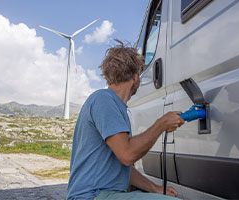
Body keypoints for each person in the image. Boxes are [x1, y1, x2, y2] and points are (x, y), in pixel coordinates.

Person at [67, 40, 184, 200]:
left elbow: (123, 167)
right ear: (136, 77)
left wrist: (156, 189)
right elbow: (127, 155)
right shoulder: (104, 100)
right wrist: (161, 124)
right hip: (92, 196)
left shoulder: (112, 104)